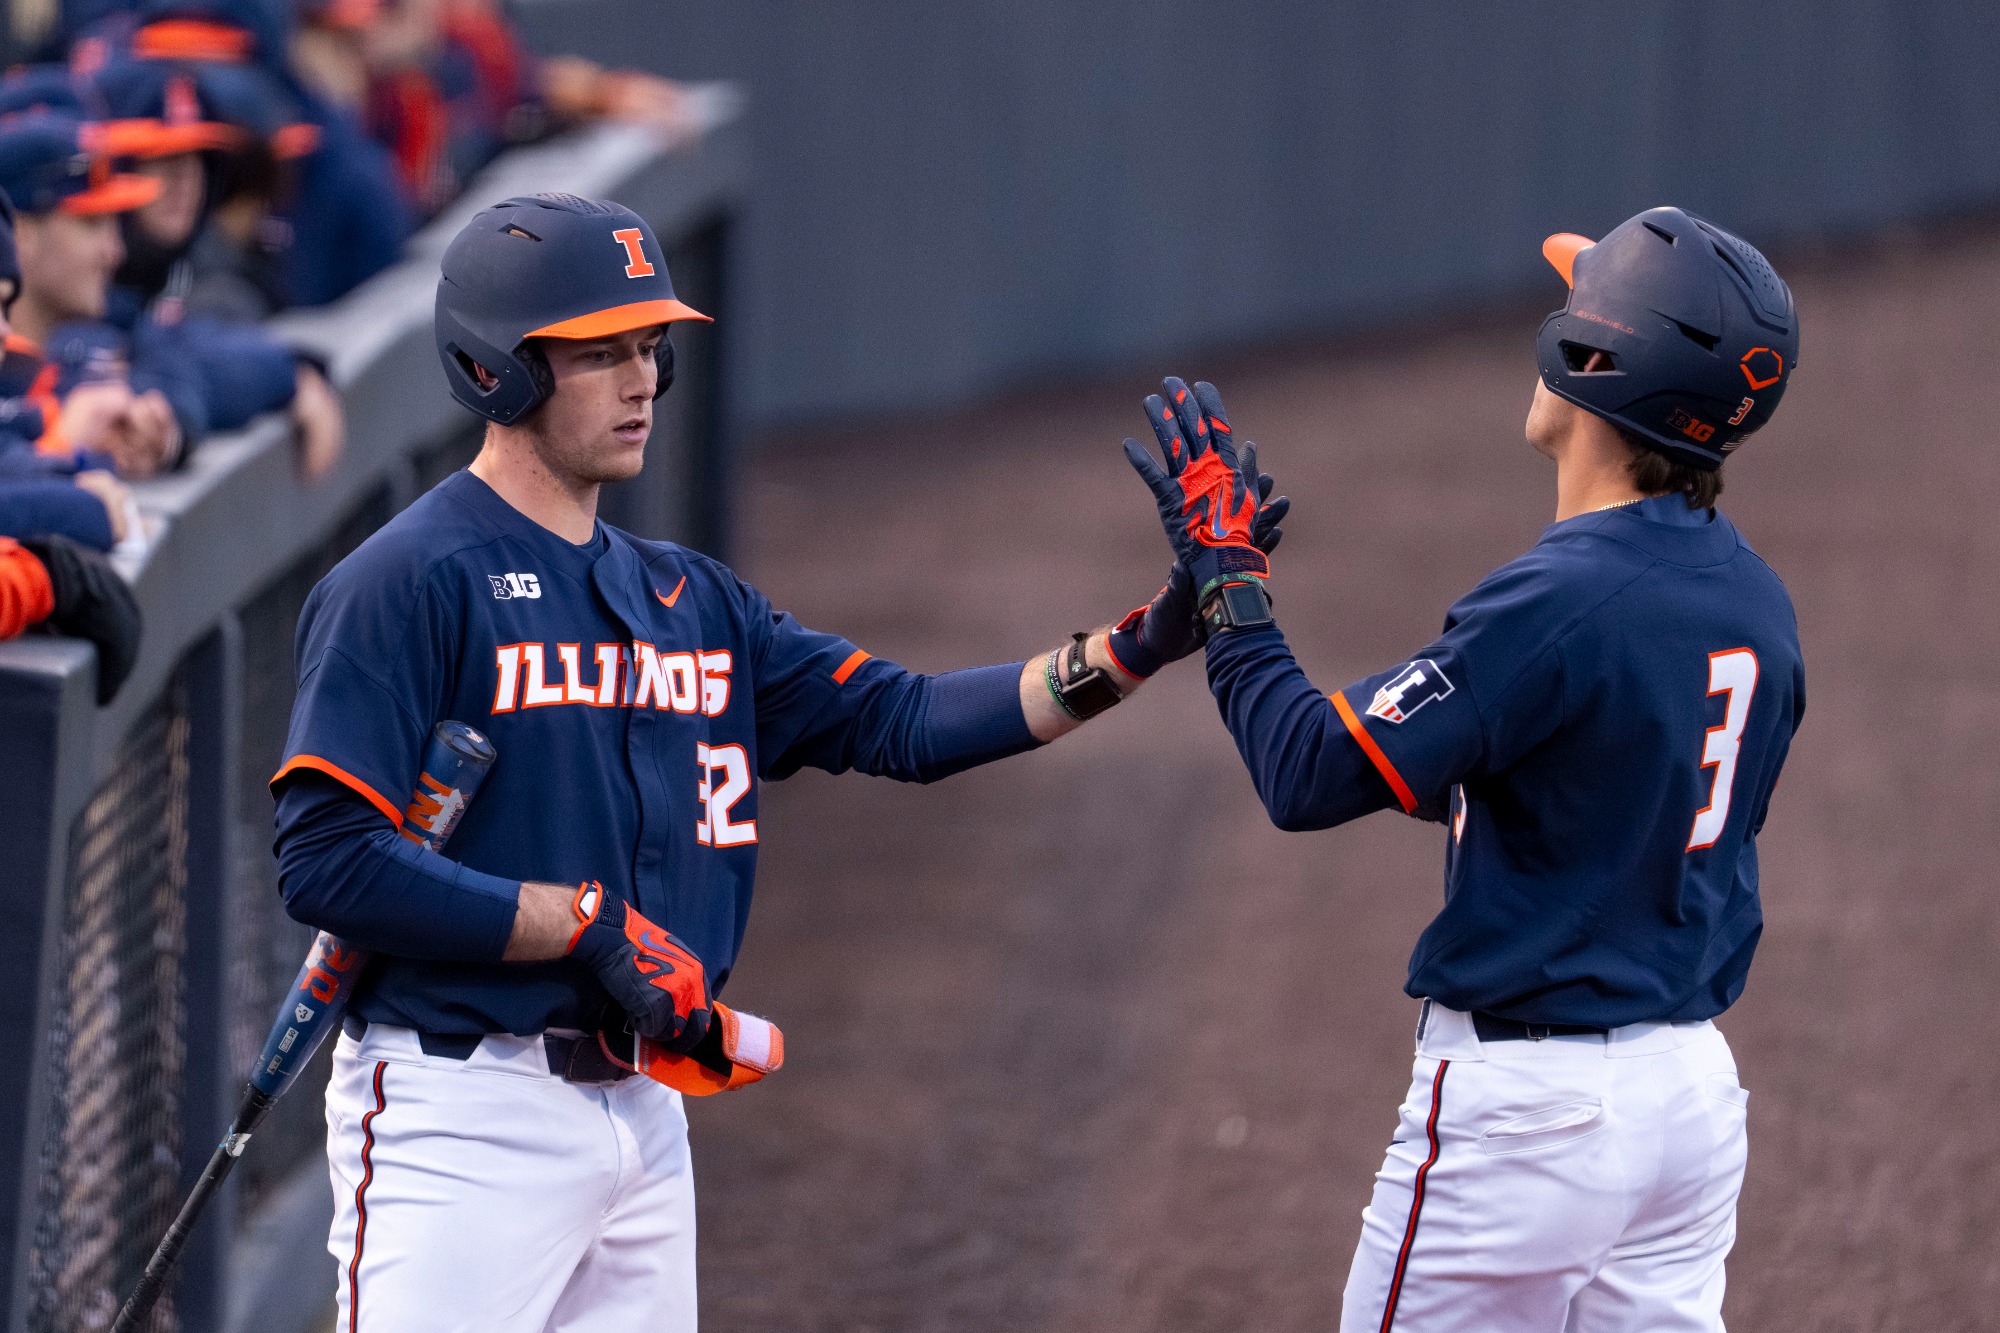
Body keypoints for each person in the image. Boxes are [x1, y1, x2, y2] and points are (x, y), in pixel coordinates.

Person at [266, 191, 1270, 1330]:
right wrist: (580, 922)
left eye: (651, 347)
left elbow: (908, 721)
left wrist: (1143, 641)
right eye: (604, 352)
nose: (643, 378)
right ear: (502, 369)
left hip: (642, 1112)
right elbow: (329, 865)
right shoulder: (404, 583)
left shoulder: (690, 599)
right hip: (460, 1114)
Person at [1120, 208, 1803, 1332]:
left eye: (1574, 305)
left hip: (1531, 1121)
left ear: (1596, 360)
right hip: (1686, 1109)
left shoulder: (1558, 597)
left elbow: (1304, 774)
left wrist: (1228, 588)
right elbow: (1595, 782)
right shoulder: (1755, 600)